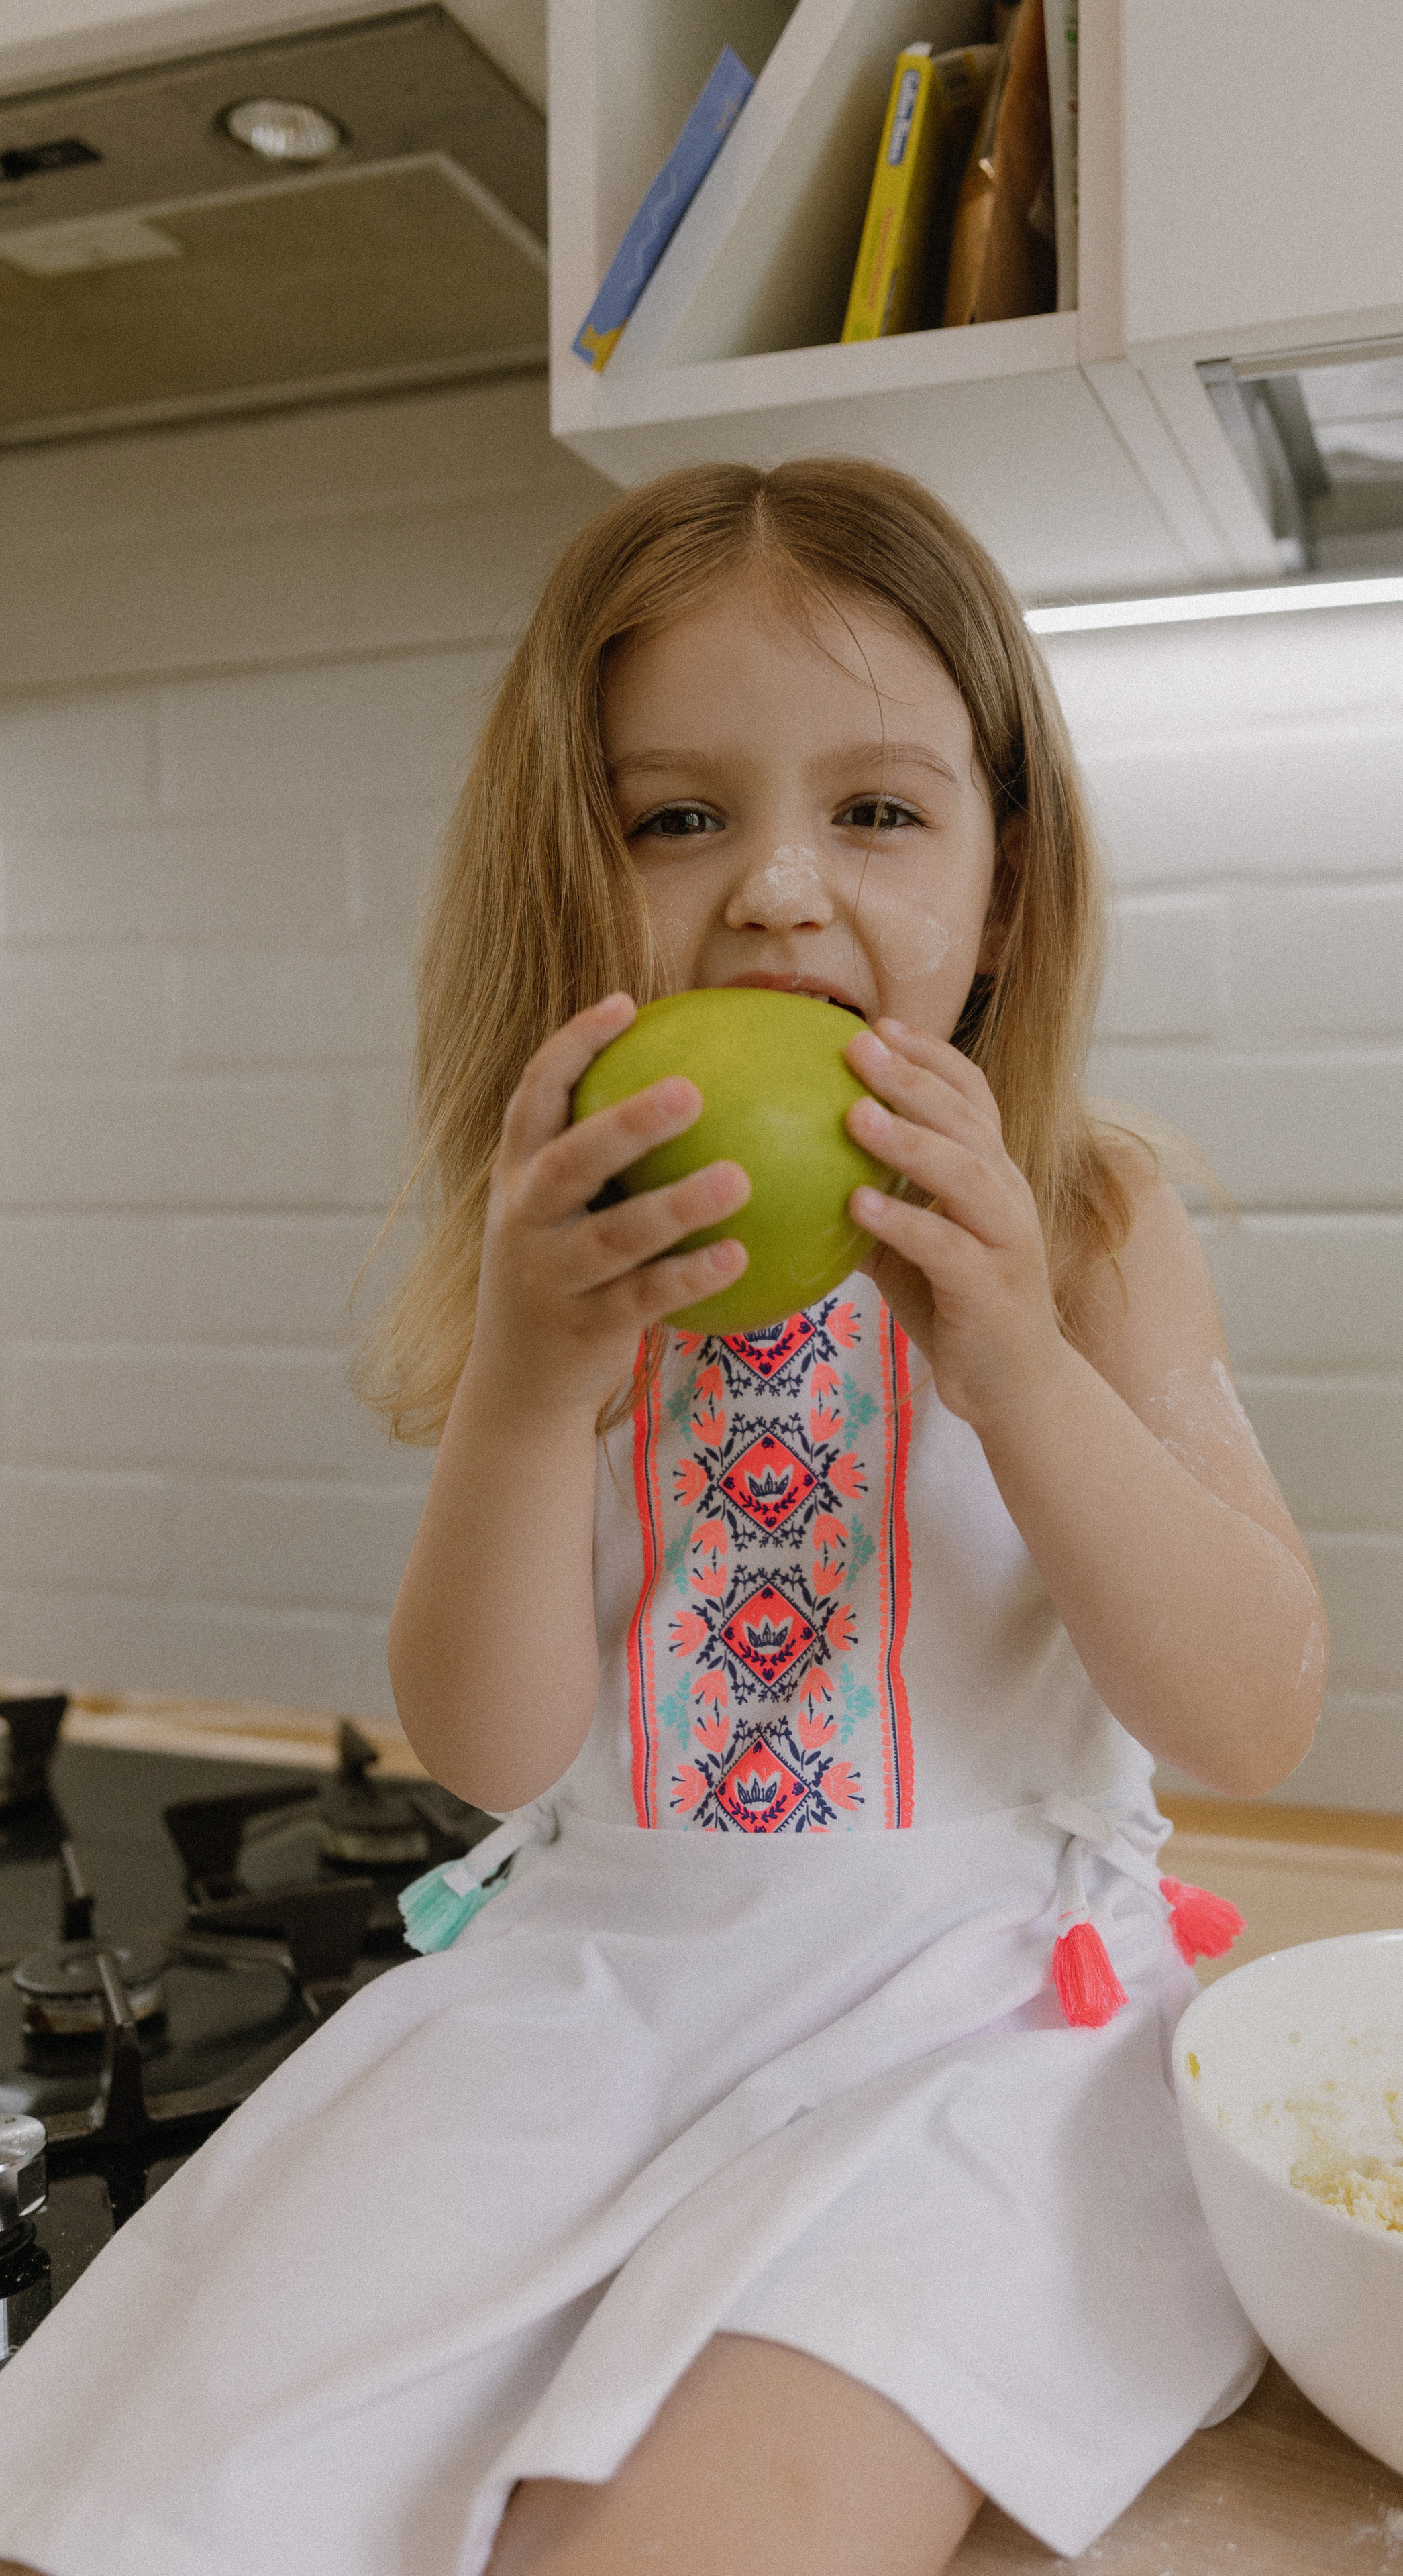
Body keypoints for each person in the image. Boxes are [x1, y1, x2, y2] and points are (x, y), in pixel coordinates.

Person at [0, 459, 1327, 2576]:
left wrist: (1015, 1365)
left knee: (675, 2535)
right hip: (598, 2000)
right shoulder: (576, 1248)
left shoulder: (1084, 1220)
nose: (782, 893)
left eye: (877, 812)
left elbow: (1254, 1715)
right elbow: (493, 1750)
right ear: (576, 879)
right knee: (209, 2482)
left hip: (982, 2026)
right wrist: (533, 1384)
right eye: (678, 816)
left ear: (1004, 891)